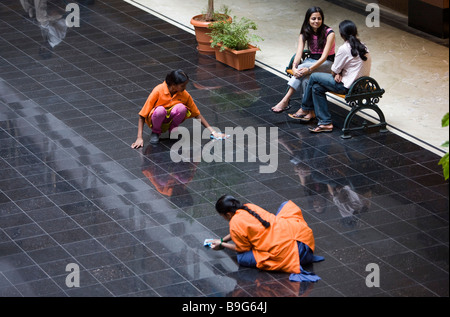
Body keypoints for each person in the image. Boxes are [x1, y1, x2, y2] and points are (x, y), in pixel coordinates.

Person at [209, 195, 324, 282]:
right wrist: (223, 240)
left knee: (242, 257)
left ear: (227, 215)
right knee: (283, 208)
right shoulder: (248, 207)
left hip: (296, 253)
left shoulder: (235, 223)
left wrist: (222, 245)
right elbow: (239, 231)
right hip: (304, 240)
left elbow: (242, 248)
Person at [297, 20, 372, 133]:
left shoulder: (344, 48)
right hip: (360, 85)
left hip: (347, 86)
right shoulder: (364, 47)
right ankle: (325, 122)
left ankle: (305, 108)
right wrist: (339, 73)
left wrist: (337, 73)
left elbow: (334, 69)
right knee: (317, 88)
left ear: (342, 34)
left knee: (313, 77)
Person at [131, 69, 224, 147]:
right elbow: (142, 115)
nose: (185, 88)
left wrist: (213, 132)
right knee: (160, 111)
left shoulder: (184, 94)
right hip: (156, 119)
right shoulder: (158, 91)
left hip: (171, 120)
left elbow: (197, 114)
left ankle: (173, 131)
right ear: (173, 84)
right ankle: (156, 133)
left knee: (182, 108)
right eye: (182, 86)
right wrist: (139, 138)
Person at [271, 6, 335, 114]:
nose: (316, 21)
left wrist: (308, 69)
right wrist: (294, 67)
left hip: (327, 64)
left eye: (319, 18)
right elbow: (299, 52)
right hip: (311, 62)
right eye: (313, 18)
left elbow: (324, 57)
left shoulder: (329, 33)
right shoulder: (305, 32)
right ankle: (308, 110)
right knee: (306, 80)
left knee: (303, 69)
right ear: (308, 19)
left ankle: (285, 100)